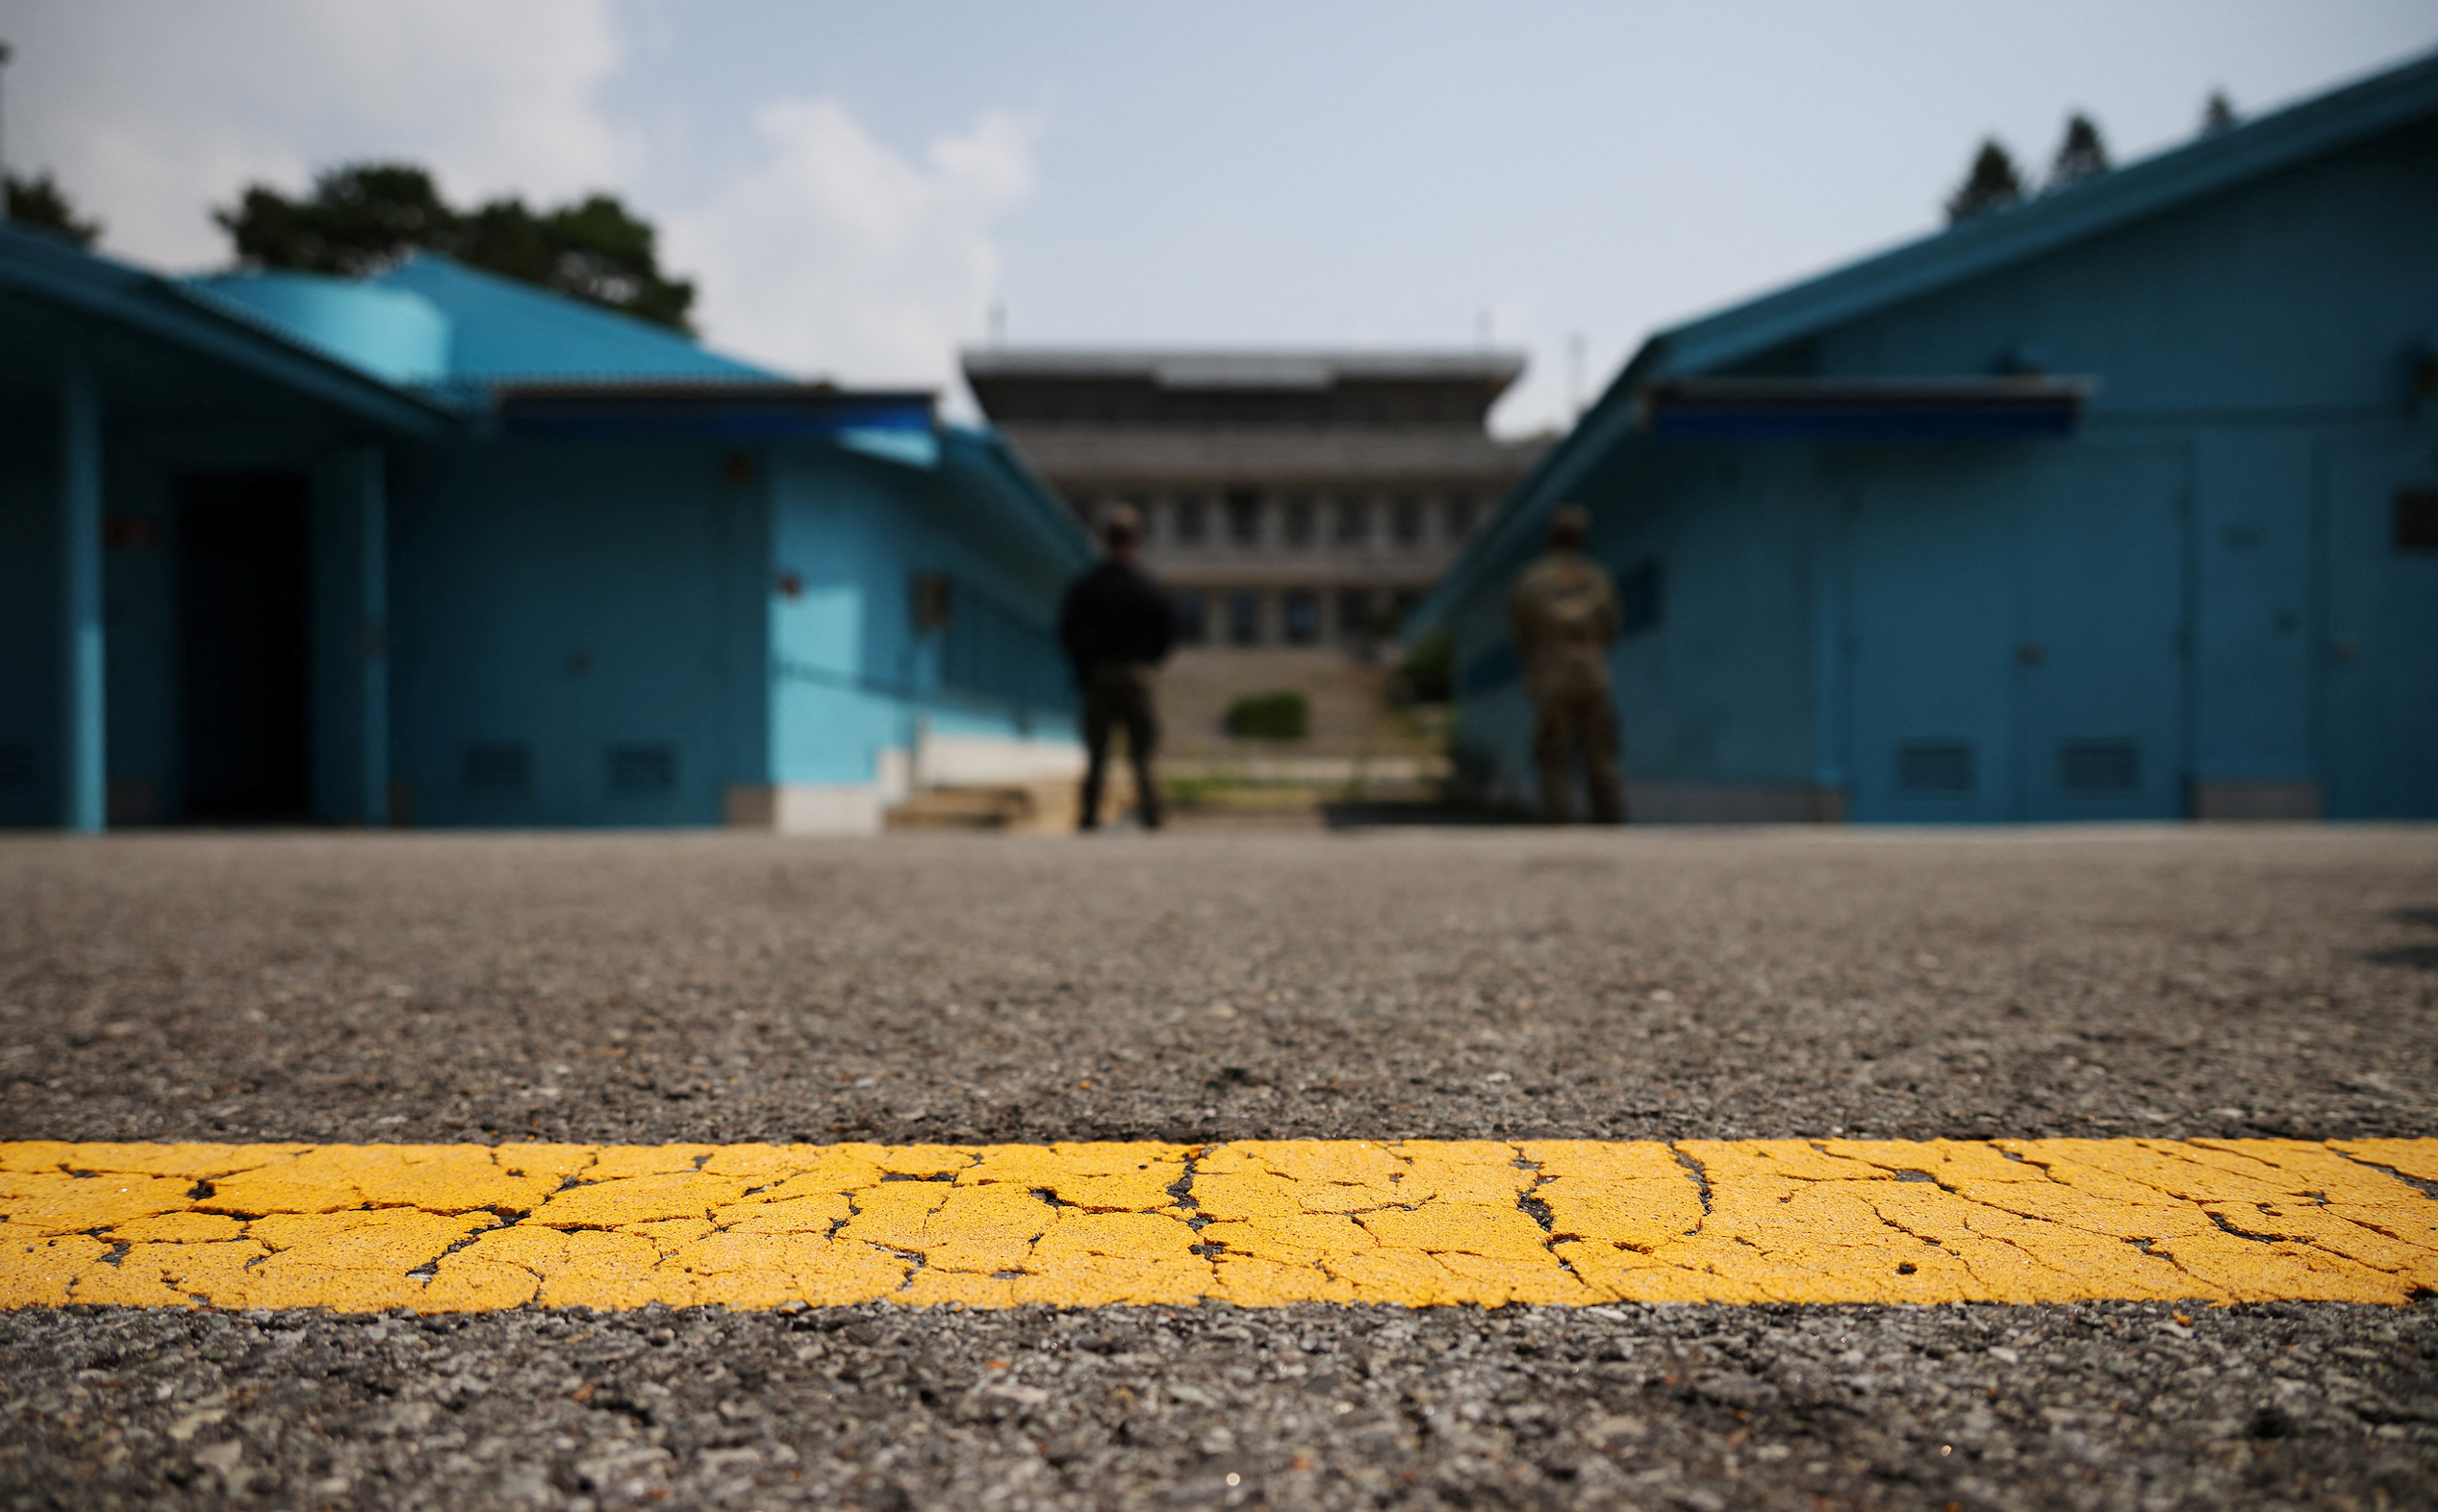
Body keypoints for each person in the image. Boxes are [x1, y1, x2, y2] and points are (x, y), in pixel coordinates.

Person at [1058, 504, 1176, 830]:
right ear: (1136, 541)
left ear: (1103, 540)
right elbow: (1166, 635)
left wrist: (1085, 668)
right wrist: (1148, 663)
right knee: (1142, 755)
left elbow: (1068, 633)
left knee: (1097, 754)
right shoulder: (1149, 588)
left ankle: (1089, 816)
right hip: (1137, 676)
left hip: (1099, 676)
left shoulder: (1087, 586)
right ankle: (1152, 816)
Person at [1509, 503, 1625, 823]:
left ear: (1552, 536)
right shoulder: (1599, 578)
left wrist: (1536, 661)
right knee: (1601, 757)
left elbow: (1520, 633)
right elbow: (1614, 627)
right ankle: (1610, 825)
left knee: (1553, 758)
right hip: (1593, 675)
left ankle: (1557, 824)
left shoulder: (1532, 580)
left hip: (1552, 678)